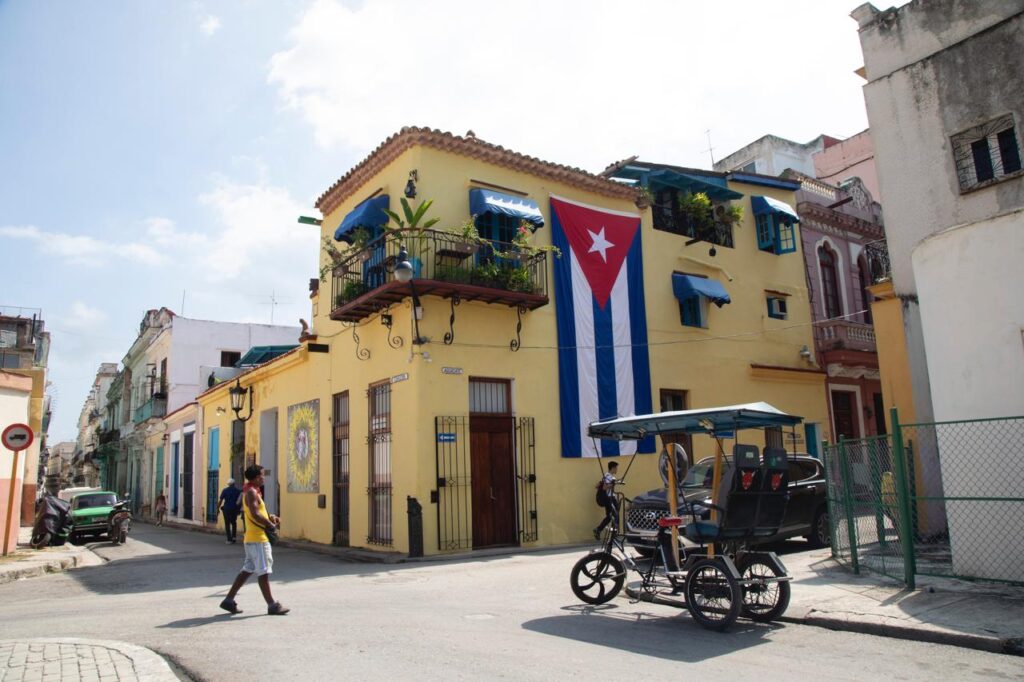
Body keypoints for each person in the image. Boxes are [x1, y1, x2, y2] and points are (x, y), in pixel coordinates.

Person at [220, 465, 289, 616]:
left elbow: (257, 512)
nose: (264, 478)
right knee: (263, 572)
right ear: (257, 477)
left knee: (247, 570)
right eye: (262, 475)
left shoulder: (251, 490)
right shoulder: (251, 492)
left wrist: (270, 517)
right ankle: (272, 605)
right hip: (258, 539)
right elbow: (255, 513)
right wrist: (270, 525)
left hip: (252, 538)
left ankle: (229, 600)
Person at [593, 461, 619, 540]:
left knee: (610, 516)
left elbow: (599, 486)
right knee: (615, 515)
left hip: (609, 498)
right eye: (616, 468)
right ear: (613, 468)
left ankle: (599, 529)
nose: (617, 469)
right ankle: (614, 534)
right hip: (610, 498)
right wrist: (613, 484)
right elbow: (604, 487)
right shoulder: (609, 476)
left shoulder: (607, 476)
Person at [218, 478, 243, 544]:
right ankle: (234, 537)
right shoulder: (237, 491)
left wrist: (217, 508)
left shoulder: (225, 490)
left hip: (226, 509)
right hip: (234, 509)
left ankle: (229, 539)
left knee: (227, 523)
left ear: (228, 484)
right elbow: (240, 501)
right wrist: (239, 510)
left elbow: (220, 500)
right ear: (234, 484)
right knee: (234, 522)